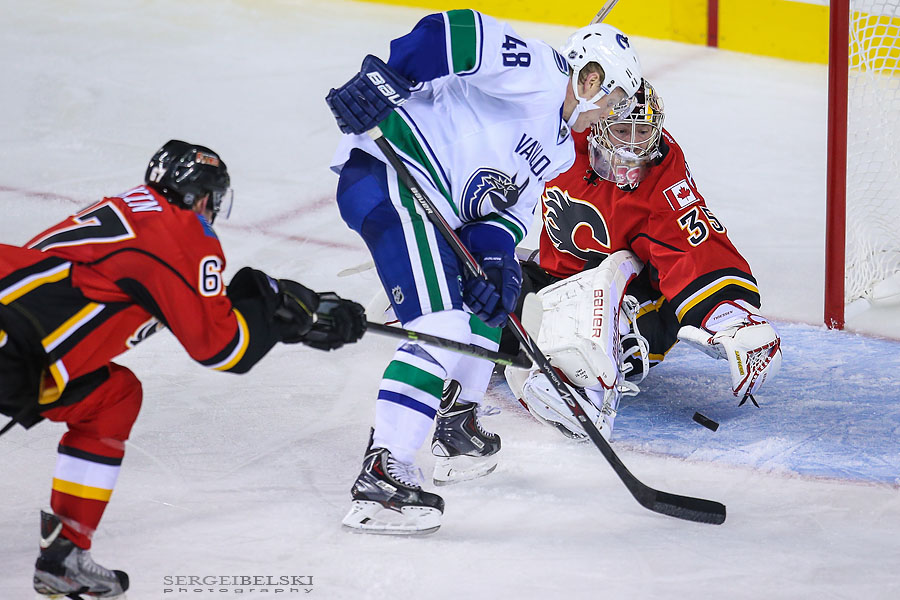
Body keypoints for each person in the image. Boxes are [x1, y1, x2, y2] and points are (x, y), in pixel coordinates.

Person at [0, 140, 366, 598]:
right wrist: (277, 311)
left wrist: (286, 314)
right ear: (202, 197)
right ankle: (65, 550)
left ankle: (66, 553)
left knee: (114, 395)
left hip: (19, 339)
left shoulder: (130, 210)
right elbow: (224, 349)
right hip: (15, 346)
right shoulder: (183, 234)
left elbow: (178, 299)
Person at [324, 8, 643, 534]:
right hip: (392, 176)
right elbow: (455, 33)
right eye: (611, 97)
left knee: (489, 305)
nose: (610, 112)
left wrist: (497, 262)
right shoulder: (542, 72)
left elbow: (506, 213)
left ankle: (454, 424)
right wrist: (390, 75)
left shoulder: (561, 149)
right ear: (591, 77)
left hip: (441, 208)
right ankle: (382, 478)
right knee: (441, 327)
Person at [502, 79, 782, 441]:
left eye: (643, 132)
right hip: (555, 276)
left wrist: (733, 317)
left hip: (633, 300)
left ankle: (585, 385)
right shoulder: (559, 136)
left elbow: (691, 248)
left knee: (615, 324)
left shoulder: (661, 174)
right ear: (597, 123)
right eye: (620, 130)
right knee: (481, 289)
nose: (634, 146)